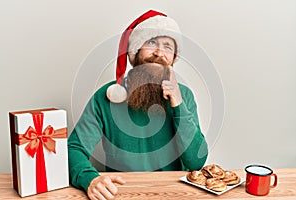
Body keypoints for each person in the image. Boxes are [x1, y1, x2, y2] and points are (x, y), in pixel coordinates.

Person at [68, 10, 208, 200]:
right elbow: (74, 149)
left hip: (175, 194)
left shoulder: (185, 96)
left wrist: (178, 105)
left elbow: (196, 162)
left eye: (167, 46)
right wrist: (90, 179)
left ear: (173, 58)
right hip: (123, 193)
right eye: (151, 43)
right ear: (135, 51)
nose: (159, 53)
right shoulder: (106, 97)